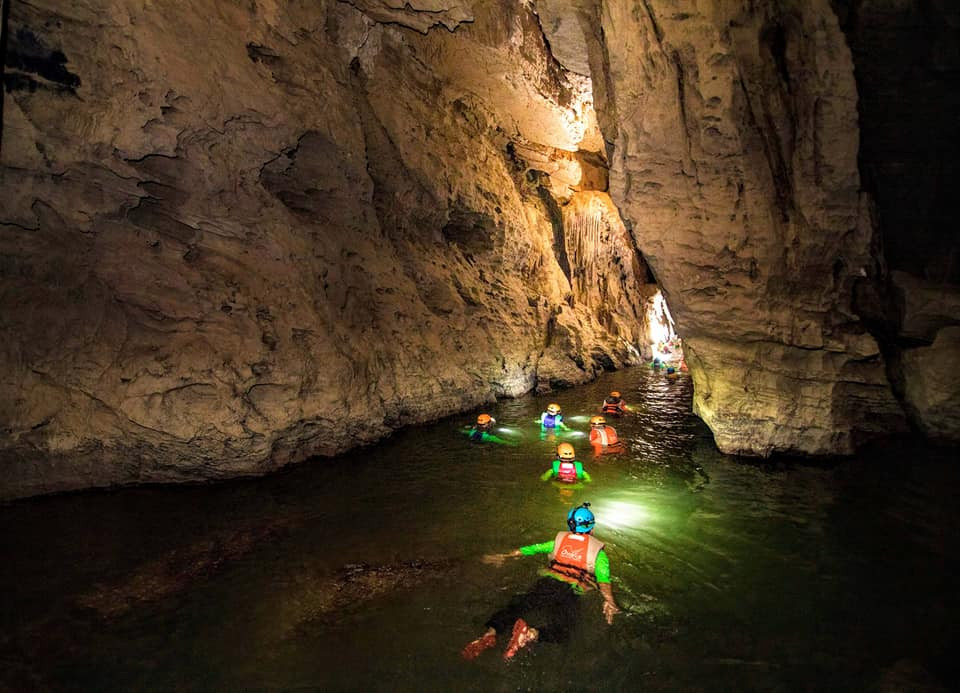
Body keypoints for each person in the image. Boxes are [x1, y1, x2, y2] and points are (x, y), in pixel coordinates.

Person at [461, 503, 621, 660]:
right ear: (592, 528)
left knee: (516, 607)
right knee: (563, 630)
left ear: (570, 525)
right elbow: (604, 581)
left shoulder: (557, 543)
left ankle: (490, 633)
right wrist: (609, 600)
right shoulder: (599, 555)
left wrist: (504, 556)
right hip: (569, 592)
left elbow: (529, 549)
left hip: (546, 584)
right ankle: (531, 634)